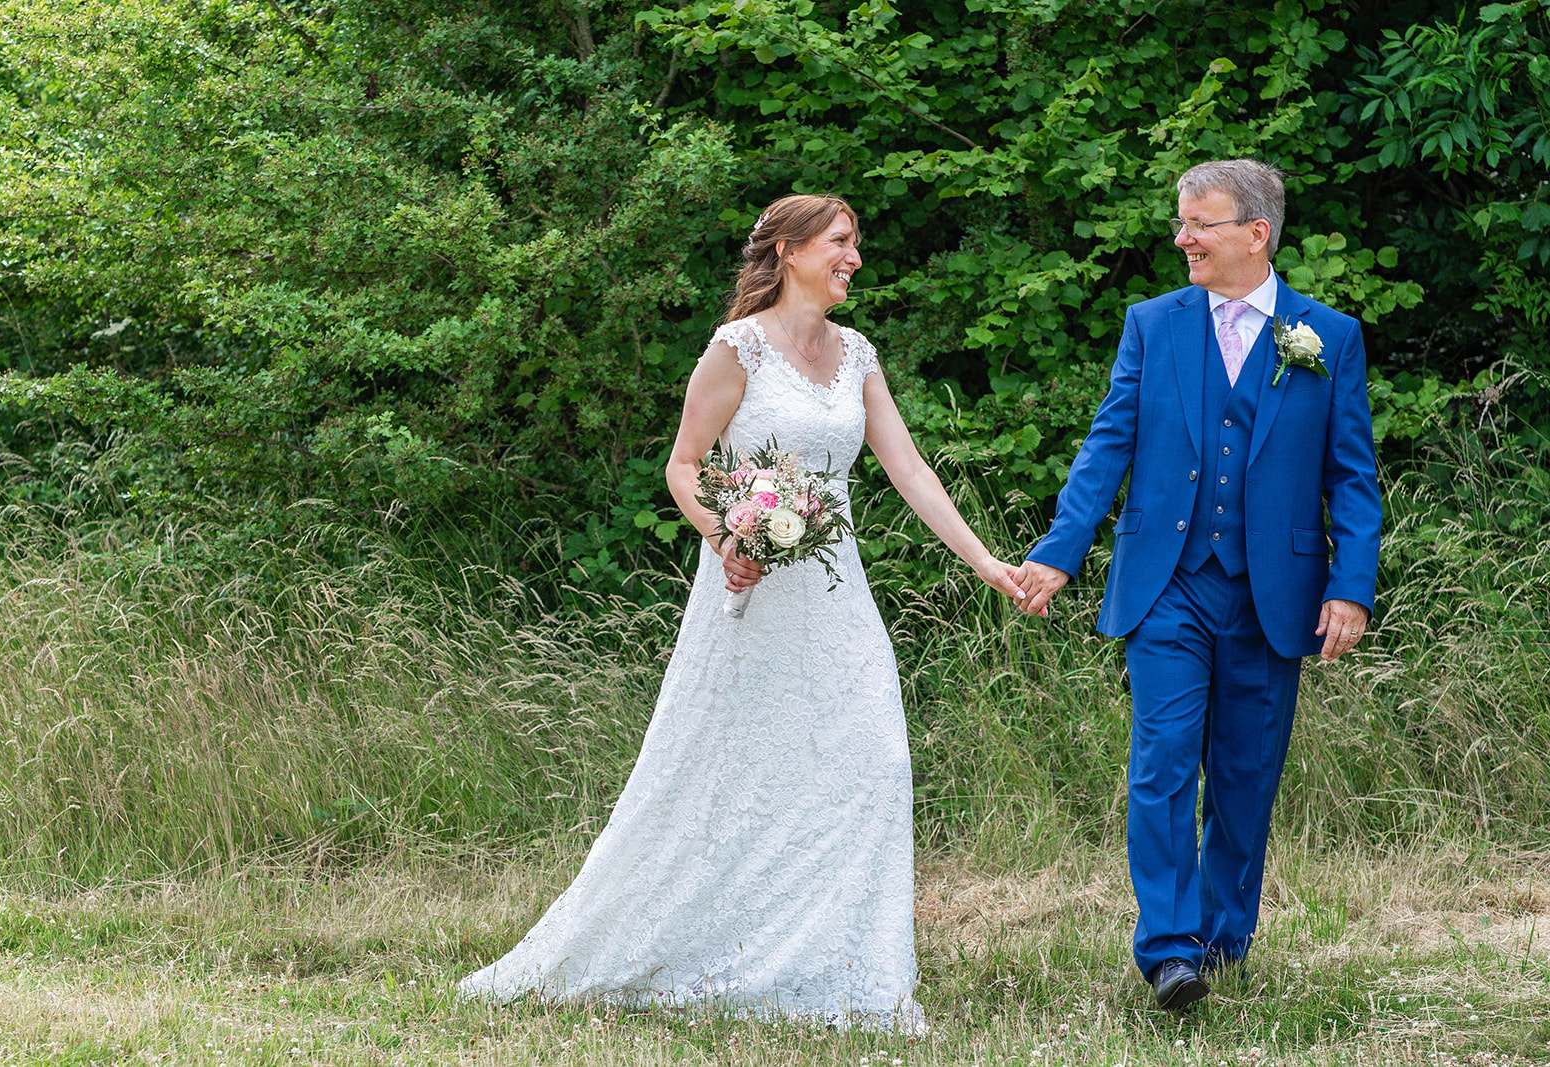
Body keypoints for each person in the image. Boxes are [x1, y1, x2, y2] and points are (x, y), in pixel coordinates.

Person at [458, 193, 1026, 1028]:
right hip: (748, 593)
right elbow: (684, 464)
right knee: (734, 772)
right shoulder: (737, 348)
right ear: (789, 250)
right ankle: (714, 947)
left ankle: (847, 967)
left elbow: (908, 467)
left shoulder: (857, 353)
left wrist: (984, 561)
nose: (854, 258)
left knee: (873, 760)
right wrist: (728, 534)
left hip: (836, 594)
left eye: (856, 243)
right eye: (840, 242)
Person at [1012, 159, 1381, 1011]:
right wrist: (1061, 551)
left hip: (1275, 592)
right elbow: (1108, 443)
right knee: (1164, 765)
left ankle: (1223, 942)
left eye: (1198, 224)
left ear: (1256, 232)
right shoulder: (1153, 324)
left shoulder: (1329, 336)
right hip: (1167, 584)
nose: (1182, 238)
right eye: (1180, 223)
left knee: (1246, 778)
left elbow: (1353, 475)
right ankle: (1170, 950)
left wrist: (1351, 585)